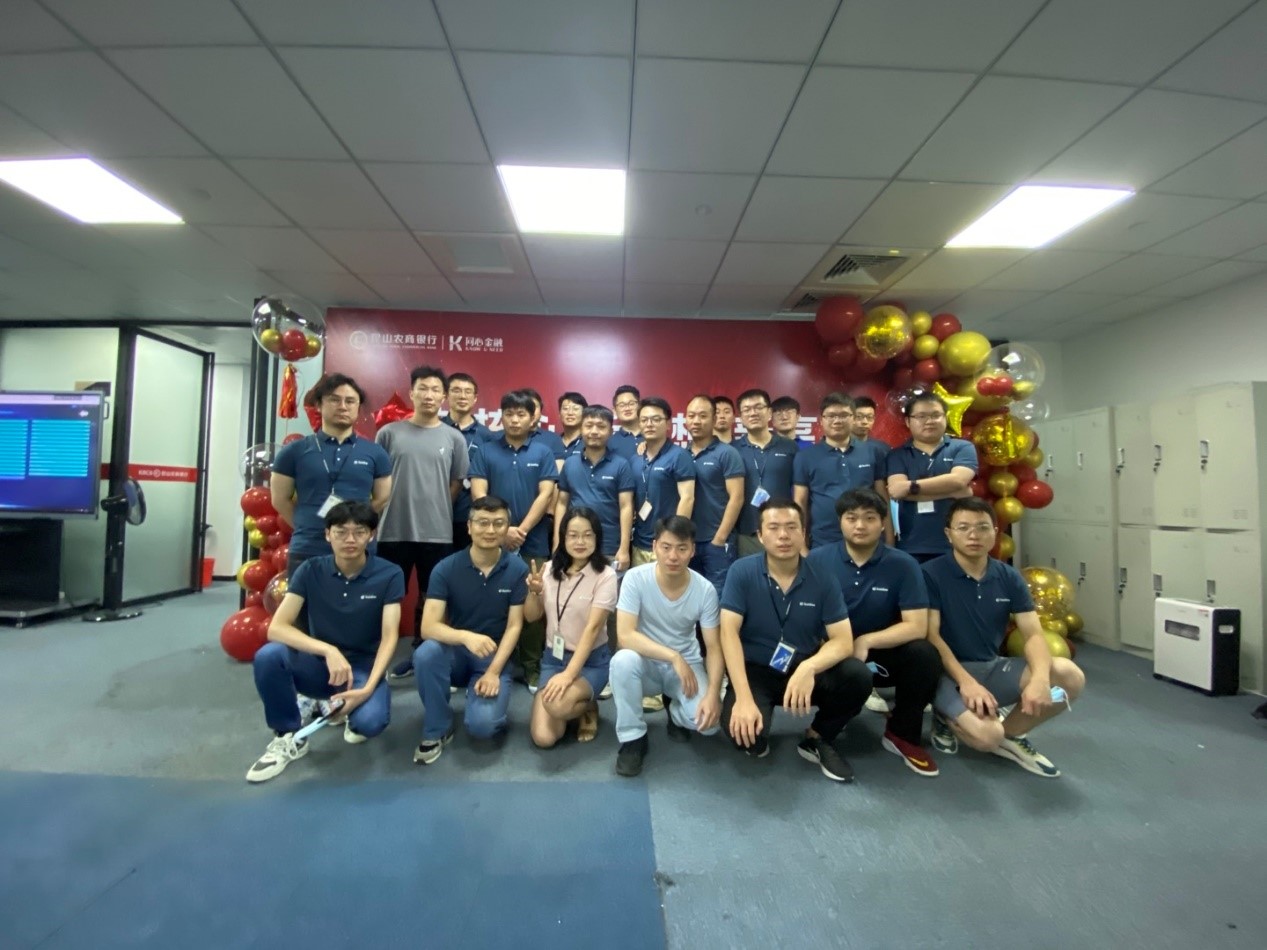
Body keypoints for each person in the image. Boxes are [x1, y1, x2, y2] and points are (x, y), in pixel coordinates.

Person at [923, 497, 1086, 778]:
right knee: (986, 737)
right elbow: (932, 637)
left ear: (995, 533)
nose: (974, 535)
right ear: (949, 534)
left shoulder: (1008, 577)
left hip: (993, 668)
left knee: (1069, 676)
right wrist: (967, 683)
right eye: (963, 527)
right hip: (947, 675)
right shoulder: (930, 574)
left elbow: (1033, 635)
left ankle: (1011, 734)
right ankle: (946, 716)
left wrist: (1040, 680)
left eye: (982, 527)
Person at [246, 501, 403, 783]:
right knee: (270, 656)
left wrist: (367, 688)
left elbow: (390, 636)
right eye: (341, 532)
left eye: (359, 532)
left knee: (370, 723)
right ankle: (288, 734)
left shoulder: (390, 574)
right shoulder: (310, 569)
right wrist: (327, 650)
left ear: (371, 535)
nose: (350, 539)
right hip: (319, 665)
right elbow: (277, 628)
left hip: (362, 667)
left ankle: (350, 706)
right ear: (328, 534)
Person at [718, 499, 872, 782]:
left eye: (791, 527)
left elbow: (843, 640)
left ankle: (818, 736)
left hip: (804, 667)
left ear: (803, 533)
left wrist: (809, 667)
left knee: (857, 675)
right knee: (744, 737)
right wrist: (743, 698)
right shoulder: (742, 571)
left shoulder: (823, 577)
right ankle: (756, 721)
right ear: (760, 535)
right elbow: (728, 633)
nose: (783, 536)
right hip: (756, 671)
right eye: (773, 528)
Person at [806, 489, 943, 776]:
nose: (860, 525)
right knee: (849, 673)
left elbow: (917, 625)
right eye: (851, 518)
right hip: (830, 652)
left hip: (879, 654)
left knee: (924, 654)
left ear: (883, 523)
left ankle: (902, 734)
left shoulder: (903, 564)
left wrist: (866, 641)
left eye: (870, 518)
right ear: (840, 522)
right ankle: (821, 733)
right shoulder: (817, 560)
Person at [413, 496, 530, 762]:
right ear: (469, 527)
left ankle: (480, 695)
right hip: (456, 651)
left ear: (507, 528)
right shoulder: (446, 568)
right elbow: (428, 627)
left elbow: (515, 626)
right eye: (482, 523)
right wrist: (465, 637)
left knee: (483, 727)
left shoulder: (517, 569)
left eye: (498, 523)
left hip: (493, 656)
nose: (490, 530)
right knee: (426, 653)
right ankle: (437, 727)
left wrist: (493, 672)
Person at [609, 516, 724, 777]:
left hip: (686, 668)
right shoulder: (635, 578)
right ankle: (633, 737)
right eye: (666, 547)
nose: (673, 556)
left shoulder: (705, 590)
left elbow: (714, 647)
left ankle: (675, 711)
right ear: (654, 547)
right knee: (622, 661)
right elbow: (625, 635)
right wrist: (673, 656)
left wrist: (713, 693)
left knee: (709, 724)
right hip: (645, 664)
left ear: (692, 550)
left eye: (682, 548)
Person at [375, 365, 468, 680]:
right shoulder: (389, 433)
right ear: (411, 392)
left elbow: (455, 484)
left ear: (444, 396)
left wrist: (435, 507)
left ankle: (422, 656)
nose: (429, 395)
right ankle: (377, 660)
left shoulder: (454, 438)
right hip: (392, 530)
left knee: (432, 598)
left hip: (437, 532)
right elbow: (378, 481)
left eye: (435, 390)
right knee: (388, 596)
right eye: (423, 388)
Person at [469, 391, 558, 690]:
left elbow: (546, 494)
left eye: (521, 414)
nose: (515, 419)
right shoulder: (486, 450)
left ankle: (532, 666)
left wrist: (521, 530)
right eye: (509, 413)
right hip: (491, 540)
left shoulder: (542, 452)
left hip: (533, 541)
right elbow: (479, 493)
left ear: (532, 418)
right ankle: (490, 662)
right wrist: (501, 530)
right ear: (501, 416)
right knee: (491, 601)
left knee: (533, 602)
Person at [270, 374, 392, 576]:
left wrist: (355, 523)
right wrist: (307, 525)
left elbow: (382, 497)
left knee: (358, 597)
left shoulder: (375, 453)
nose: (343, 407)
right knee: (303, 597)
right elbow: (279, 499)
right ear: (319, 405)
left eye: (350, 401)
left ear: (358, 407)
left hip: (358, 549)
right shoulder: (294, 451)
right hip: (308, 547)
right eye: (335, 400)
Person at [525, 507, 618, 747]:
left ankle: (587, 706)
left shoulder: (606, 575)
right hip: (553, 658)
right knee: (544, 738)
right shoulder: (547, 570)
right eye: (573, 535)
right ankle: (570, 706)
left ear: (597, 538)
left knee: (557, 705)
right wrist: (534, 593)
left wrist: (568, 676)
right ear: (563, 537)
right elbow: (531, 616)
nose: (580, 542)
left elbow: (593, 629)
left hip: (590, 661)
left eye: (587, 535)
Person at [885, 392, 977, 562]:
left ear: (945, 417)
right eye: (921, 416)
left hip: (956, 544)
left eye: (936, 415)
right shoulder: (897, 455)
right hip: (911, 544)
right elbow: (897, 490)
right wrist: (951, 492)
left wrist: (910, 487)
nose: (929, 421)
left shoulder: (962, 447)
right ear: (908, 421)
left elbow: (958, 480)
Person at [793, 393, 888, 550]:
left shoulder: (873, 452)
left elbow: (883, 499)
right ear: (821, 420)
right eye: (831, 416)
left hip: (868, 539)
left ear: (853, 418)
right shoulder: (805, 456)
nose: (837, 420)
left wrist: (889, 541)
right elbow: (800, 503)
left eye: (844, 415)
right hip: (824, 541)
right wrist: (801, 547)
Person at [553, 405, 635, 571]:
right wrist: (557, 542)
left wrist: (624, 548)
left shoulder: (621, 465)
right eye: (589, 426)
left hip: (609, 546)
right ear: (581, 429)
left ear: (611, 431)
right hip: (574, 545)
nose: (594, 431)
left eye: (601, 426)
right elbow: (561, 504)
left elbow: (626, 507)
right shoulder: (570, 463)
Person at [684, 394, 744, 595]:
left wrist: (720, 538)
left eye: (703, 416)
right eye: (691, 416)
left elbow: (737, 497)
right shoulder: (680, 454)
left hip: (716, 542)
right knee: (690, 597)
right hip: (688, 541)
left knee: (717, 598)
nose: (696, 421)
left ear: (714, 419)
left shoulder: (727, 453)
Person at [629, 397, 695, 566]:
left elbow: (687, 498)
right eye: (644, 420)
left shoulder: (679, 456)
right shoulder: (635, 459)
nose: (649, 424)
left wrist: (675, 539)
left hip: (668, 546)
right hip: (639, 543)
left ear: (668, 424)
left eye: (656, 419)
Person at [733, 388, 797, 557]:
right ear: (741, 418)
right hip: (747, 532)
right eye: (747, 409)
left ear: (769, 413)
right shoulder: (732, 450)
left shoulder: (790, 447)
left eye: (758, 407)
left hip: (783, 531)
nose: (753, 413)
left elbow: (801, 491)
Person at [443, 371, 495, 553]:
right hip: (436, 514)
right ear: (446, 395)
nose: (462, 396)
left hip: (470, 516)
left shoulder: (487, 436)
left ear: (475, 398)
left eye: (467, 391)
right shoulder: (435, 429)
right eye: (456, 390)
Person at [524, 387, 567, 472]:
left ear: (541, 411)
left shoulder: (553, 439)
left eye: (534, 407)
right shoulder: (501, 437)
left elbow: (558, 475)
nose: (531, 411)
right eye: (526, 407)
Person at [850, 396, 889, 464]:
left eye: (869, 417)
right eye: (859, 417)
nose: (865, 422)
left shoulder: (882, 449)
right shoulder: (837, 447)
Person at [609, 385, 643, 459]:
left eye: (631, 404)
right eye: (622, 405)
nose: (627, 408)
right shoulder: (610, 443)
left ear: (640, 406)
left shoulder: (653, 437)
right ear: (614, 411)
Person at [558, 391, 587, 459]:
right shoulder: (553, 441)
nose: (570, 413)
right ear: (559, 414)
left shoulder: (589, 442)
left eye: (575, 409)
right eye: (565, 409)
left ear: (584, 414)